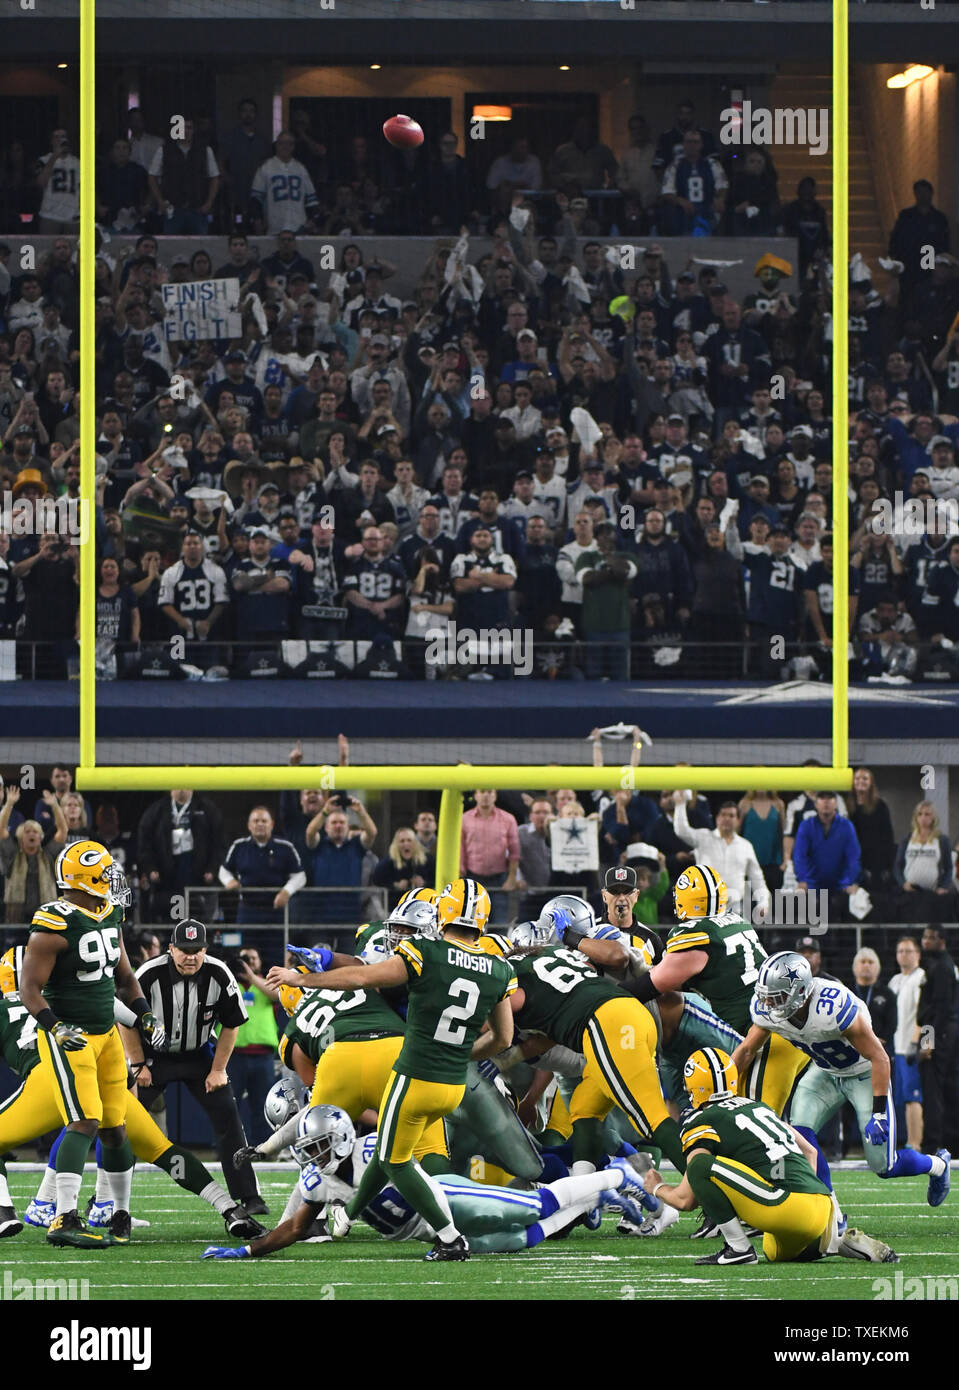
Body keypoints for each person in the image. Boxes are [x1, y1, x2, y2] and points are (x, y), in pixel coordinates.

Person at [268, 876, 517, 1262]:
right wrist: (463, 1054)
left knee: (394, 1159)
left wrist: (303, 978)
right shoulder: (498, 967)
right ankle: (349, 1217)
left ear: (443, 913)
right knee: (395, 1147)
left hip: (415, 1073)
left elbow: (363, 976)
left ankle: (451, 1237)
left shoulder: (427, 951)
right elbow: (503, 1038)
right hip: (454, 1082)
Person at [202, 1103, 651, 1261]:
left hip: (448, 1197)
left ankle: (618, 1174)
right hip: (426, 1231)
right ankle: (595, 1195)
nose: (311, 1157)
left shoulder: (374, 1146)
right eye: (309, 1148)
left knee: (530, 1208)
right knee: (516, 1241)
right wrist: (248, 1249)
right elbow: (294, 1228)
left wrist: (348, 1214)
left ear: (339, 1140)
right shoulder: (319, 1181)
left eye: (318, 1146)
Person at [19, 840, 158, 1248]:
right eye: (105, 872)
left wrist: (144, 1012)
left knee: (116, 1128)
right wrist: (56, 1026)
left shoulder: (109, 911)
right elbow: (29, 988)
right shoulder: (54, 921)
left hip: (108, 1036)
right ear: (85, 878)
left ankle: (120, 1214)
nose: (113, 879)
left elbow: (126, 976)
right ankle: (63, 1218)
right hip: (71, 1034)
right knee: (84, 1121)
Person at [734, 951, 951, 1206]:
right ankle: (831, 1213)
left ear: (800, 991)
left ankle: (937, 1165)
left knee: (884, 1165)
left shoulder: (831, 1006)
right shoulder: (768, 1012)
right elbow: (747, 1050)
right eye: (767, 997)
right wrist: (722, 1085)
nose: (769, 1004)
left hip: (863, 1074)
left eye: (777, 996)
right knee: (799, 1137)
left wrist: (879, 1113)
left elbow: (880, 1058)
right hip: (825, 1072)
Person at [644, 1047, 896, 1267]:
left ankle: (738, 1249)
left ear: (694, 1088)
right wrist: (806, 1194)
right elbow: (809, 1150)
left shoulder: (700, 1121)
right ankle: (838, 1242)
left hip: (785, 1207)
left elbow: (686, 1200)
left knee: (700, 1165)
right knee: (774, 1252)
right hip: (820, 1205)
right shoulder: (757, 1107)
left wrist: (657, 1187)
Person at [635, 865, 807, 1120]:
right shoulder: (737, 922)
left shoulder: (695, 934)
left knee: (762, 1127)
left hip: (764, 1038)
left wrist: (606, 994)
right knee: (783, 1127)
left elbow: (654, 985)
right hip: (784, 1031)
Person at [123, 919, 266, 1216]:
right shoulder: (148, 974)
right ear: (170, 949)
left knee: (228, 1116)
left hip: (198, 1055)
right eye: (184, 950)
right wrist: (138, 1064)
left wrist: (218, 1069)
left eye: (197, 950)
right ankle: (108, 1201)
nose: (191, 957)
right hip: (154, 1057)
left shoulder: (218, 973)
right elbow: (126, 1020)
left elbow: (232, 1024)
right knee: (122, 1121)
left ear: (205, 949)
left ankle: (249, 1196)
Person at [671, 794, 770, 920]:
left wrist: (763, 902)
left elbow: (757, 877)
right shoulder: (703, 838)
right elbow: (682, 830)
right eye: (723, 815)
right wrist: (680, 804)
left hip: (735, 909)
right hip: (704, 908)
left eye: (731, 815)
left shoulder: (746, 846)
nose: (727, 819)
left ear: (738, 821)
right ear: (717, 818)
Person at [135, 788, 224, 925]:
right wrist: (150, 868)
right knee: (168, 924)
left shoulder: (207, 809)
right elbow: (144, 844)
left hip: (197, 879)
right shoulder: (156, 811)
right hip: (166, 881)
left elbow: (219, 843)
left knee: (197, 925)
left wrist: (212, 869)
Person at [227, 947, 280, 1147]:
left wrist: (250, 975)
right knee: (230, 1105)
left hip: (263, 1057)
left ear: (259, 961)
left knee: (263, 1106)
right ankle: (230, 1147)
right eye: (244, 959)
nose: (249, 961)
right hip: (234, 1055)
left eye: (253, 958)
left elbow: (276, 996)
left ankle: (263, 1148)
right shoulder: (229, 983)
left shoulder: (266, 983)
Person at [219, 806, 306, 926]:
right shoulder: (239, 846)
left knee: (276, 945)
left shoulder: (285, 847)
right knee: (246, 945)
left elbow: (300, 876)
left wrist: (286, 892)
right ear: (249, 825)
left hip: (276, 911)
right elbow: (223, 870)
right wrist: (229, 881)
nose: (260, 824)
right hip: (247, 910)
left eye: (264, 821)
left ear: (272, 824)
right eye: (256, 821)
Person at [917, 926, 959, 1155]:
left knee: (932, 1090)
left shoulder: (941, 967)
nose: (925, 942)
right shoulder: (945, 965)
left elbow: (940, 1009)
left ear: (941, 940)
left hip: (937, 1032)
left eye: (930, 938)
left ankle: (932, 1144)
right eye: (924, 937)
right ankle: (952, 1143)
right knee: (950, 1088)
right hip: (947, 1032)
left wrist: (928, 1040)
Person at [305, 795, 378, 925]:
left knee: (351, 946)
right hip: (321, 915)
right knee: (319, 946)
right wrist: (325, 812)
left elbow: (371, 832)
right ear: (326, 828)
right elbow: (310, 832)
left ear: (348, 827)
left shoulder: (356, 846)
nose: (338, 826)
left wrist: (361, 812)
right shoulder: (319, 845)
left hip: (350, 914)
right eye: (334, 823)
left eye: (342, 823)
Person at [792, 792, 862, 921]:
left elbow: (853, 857)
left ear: (836, 803)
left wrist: (849, 882)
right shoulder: (806, 826)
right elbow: (799, 855)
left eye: (830, 798)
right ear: (816, 804)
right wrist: (803, 880)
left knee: (853, 905)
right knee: (798, 905)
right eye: (822, 798)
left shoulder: (846, 826)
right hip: (813, 883)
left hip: (839, 884)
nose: (826, 802)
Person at [0, 787, 66, 923]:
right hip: (15, 914)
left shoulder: (48, 855)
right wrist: (9, 804)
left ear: (40, 837)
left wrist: (55, 805)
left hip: (46, 914)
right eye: (27, 831)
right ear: (20, 836)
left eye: (35, 832)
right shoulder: (12, 854)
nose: (31, 834)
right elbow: (1, 829)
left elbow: (63, 830)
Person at [460, 789, 520, 923]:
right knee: (472, 923)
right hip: (472, 878)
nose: (485, 795)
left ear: (495, 795)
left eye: (489, 792)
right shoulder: (464, 819)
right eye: (482, 792)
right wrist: (461, 876)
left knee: (500, 923)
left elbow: (514, 851)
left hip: (500, 879)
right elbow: (461, 848)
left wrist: (511, 877)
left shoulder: (508, 819)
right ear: (475, 795)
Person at [893, 801, 954, 924]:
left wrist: (943, 887)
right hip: (910, 892)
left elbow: (948, 867)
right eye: (920, 814)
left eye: (927, 814)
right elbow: (897, 866)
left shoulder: (942, 840)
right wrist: (903, 883)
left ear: (933, 817)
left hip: (931, 893)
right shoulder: (907, 839)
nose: (923, 818)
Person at [847, 769, 895, 903]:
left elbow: (887, 836)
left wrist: (887, 865)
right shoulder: (847, 805)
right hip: (854, 859)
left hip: (876, 862)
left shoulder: (880, 806)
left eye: (865, 778)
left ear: (871, 783)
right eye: (857, 778)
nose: (860, 781)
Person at [371, 828, 435, 906]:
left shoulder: (427, 859)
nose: (406, 844)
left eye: (409, 840)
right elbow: (377, 879)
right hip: (396, 906)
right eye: (402, 841)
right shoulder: (389, 861)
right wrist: (395, 885)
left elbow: (435, 879)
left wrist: (424, 883)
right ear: (396, 844)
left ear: (415, 843)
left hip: (423, 904)